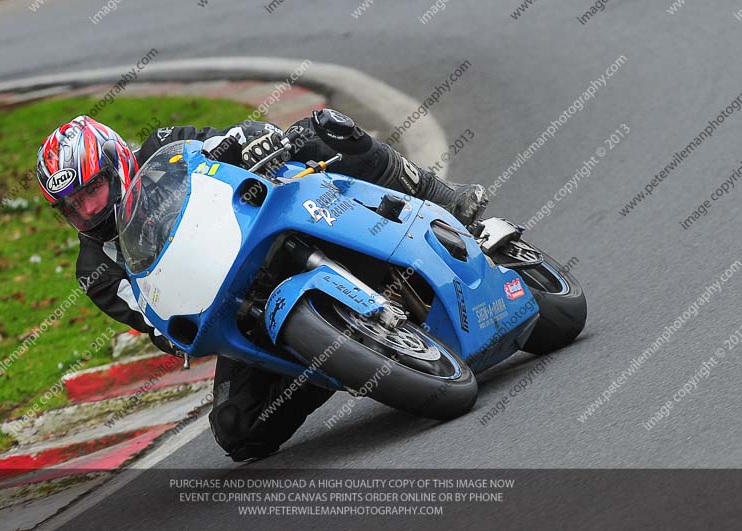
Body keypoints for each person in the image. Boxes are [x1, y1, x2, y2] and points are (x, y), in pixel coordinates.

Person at [35, 109, 486, 461]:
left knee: (317, 131)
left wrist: (248, 140)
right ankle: (335, 357)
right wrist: (177, 331)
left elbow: (230, 139)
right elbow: (159, 325)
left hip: (274, 223)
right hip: (240, 302)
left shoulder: (164, 147)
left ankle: (440, 197)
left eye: (91, 191)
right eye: (73, 207)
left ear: (117, 161)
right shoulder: (95, 270)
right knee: (238, 430)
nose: (89, 211)